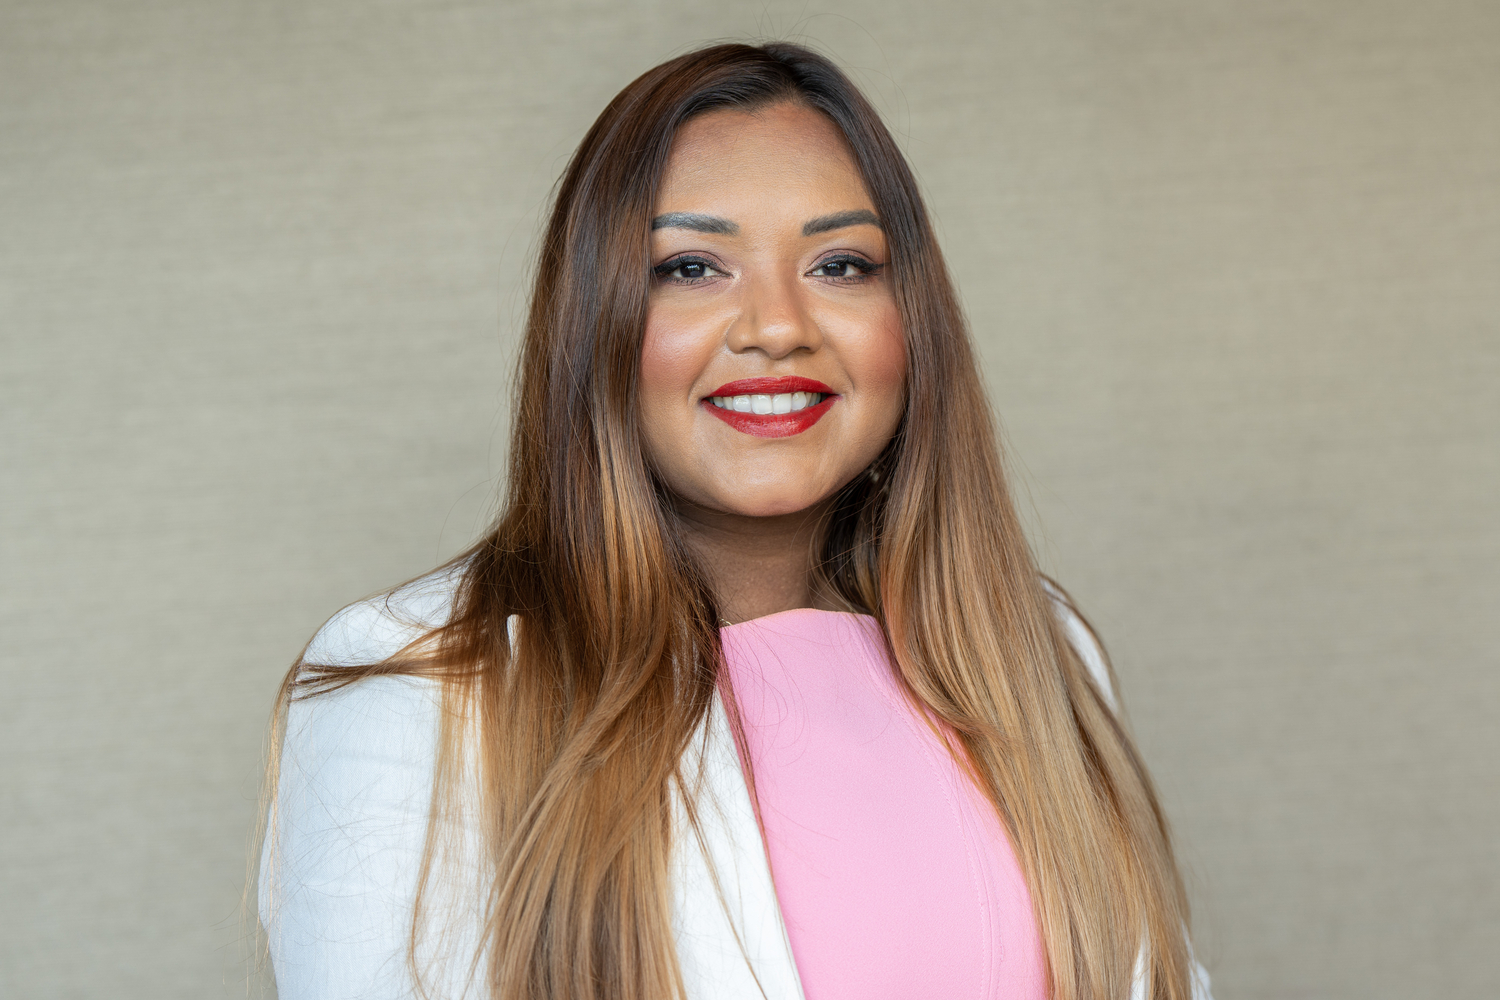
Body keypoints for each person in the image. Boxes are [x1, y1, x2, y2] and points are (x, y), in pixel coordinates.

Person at [258, 42, 1213, 1000]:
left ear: (912, 319)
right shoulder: (424, 684)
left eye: (840, 264)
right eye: (691, 267)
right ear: (594, 322)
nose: (777, 325)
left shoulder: (1036, 649)